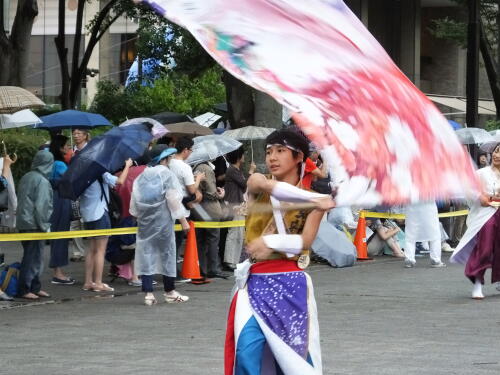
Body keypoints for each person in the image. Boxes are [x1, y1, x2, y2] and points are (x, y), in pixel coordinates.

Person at [225, 129, 335, 374]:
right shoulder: (257, 183)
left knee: (293, 358)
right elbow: (267, 186)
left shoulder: (315, 201)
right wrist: (316, 200)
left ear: (299, 158)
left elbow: (305, 241)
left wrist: (272, 242)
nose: (272, 157)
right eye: (269, 152)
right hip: (253, 285)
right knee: (247, 350)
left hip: (291, 285)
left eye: (280, 151)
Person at [130, 147, 190, 305]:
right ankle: (169, 291)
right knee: (167, 255)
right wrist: (183, 221)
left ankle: (149, 294)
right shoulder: (166, 175)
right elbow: (173, 199)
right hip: (163, 223)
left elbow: (134, 206)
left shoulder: (141, 177)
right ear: (164, 159)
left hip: (145, 223)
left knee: (146, 255)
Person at [451, 142, 500, 299]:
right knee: (484, 248)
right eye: (496, 151)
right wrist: (481, 196)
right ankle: (478, 282)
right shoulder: (482, 173)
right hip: (487, 214)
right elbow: (469, 188)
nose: (497, 155)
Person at [80, 158, 133, 292]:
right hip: (100, 214)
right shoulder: (100, 172)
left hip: (87, 215)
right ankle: (98, 282)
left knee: (91, 249)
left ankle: (88, 282)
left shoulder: (82, 174)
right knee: (100, 250)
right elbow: (120, 181)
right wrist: (127, 166)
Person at [16, 151, 54, 300]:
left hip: (24, 222)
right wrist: (45, 225)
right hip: (35, 224)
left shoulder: (27, 177)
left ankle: (34, 287)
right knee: (34, 258)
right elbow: (42, 206)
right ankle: (25, 289)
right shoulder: (42, 181)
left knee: (31, 256)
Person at [168, 137, 205, 279]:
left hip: (169, 205)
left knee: (170, 241)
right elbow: (191, 190)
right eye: (190, 150)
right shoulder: (184, 167)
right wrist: (198, 179)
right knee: (176, 241)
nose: (191, 153)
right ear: (185, 150)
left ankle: (169, 271)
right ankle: (174, 273)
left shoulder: (168, 163)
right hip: (182, 207)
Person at [193, 157, 227, 280]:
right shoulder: (206, 168)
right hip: (210, 209)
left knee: (200, 240)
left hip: (198, 209)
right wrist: (220, 195)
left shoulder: (195, 167)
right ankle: (213, 268)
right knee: (213, 239)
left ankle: (202, 267)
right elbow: (211, 192)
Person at [223, 146, 256, 270]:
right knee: (234, 233)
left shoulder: (237, 170)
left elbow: (243, 188)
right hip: (234, 203)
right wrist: (251, 171)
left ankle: (235, 260)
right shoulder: (232, 170)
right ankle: (230, 261)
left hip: (240, 203)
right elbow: (244, 184)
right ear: (238, 157)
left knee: (239, 233)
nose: (244, 157)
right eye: (242, 155)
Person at [48, 135, 75, 285]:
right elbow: (71, 179)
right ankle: (58, 273)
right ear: (60, 148)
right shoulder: (60, 164)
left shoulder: (52, 162)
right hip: (61, 201)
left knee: (57, 236)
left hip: (55, 200)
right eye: (67, 145)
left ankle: (58, 271)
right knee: (60, 236)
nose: (69, 148)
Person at [69, 128, 90, 262]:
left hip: (89, 190)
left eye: (79, 133)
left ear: (85, 135)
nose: (76, 136)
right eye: (74, 134)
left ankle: (92, 251)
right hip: (75, 190)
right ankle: (78, 252)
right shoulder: (72, 152)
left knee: (89, 221)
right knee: (75, 221)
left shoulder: (92, 150)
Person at [403, 201, 446, 268]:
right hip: (428, 207)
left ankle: (409, 259)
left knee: (410, 234)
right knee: (434, 234)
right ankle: (436, 260)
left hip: (412, 208)